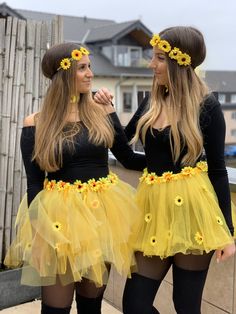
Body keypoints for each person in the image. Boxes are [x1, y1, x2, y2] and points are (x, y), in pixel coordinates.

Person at [94, 26, 236, 314]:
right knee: (134, 304)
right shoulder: (150, 101)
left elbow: (219, 171)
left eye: (158, 58)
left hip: (194, 212)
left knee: (185, 305)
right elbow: (129, 158)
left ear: (178, 61)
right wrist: (109, 113)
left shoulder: (207, 106)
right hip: (152, 212)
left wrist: (228, 233)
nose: (151, 65)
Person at [4, 42, 146, 314]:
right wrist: (39, 236)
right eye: (82, 68)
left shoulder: (101, 111)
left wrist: (175, 160)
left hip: (103, 217)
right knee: (55, 308)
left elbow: (127, 157)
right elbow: (35, 183)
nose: (90, 73)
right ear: (63, 74)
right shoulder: (36, 122)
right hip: (59, 221)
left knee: (91, 305)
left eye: (89, 67)